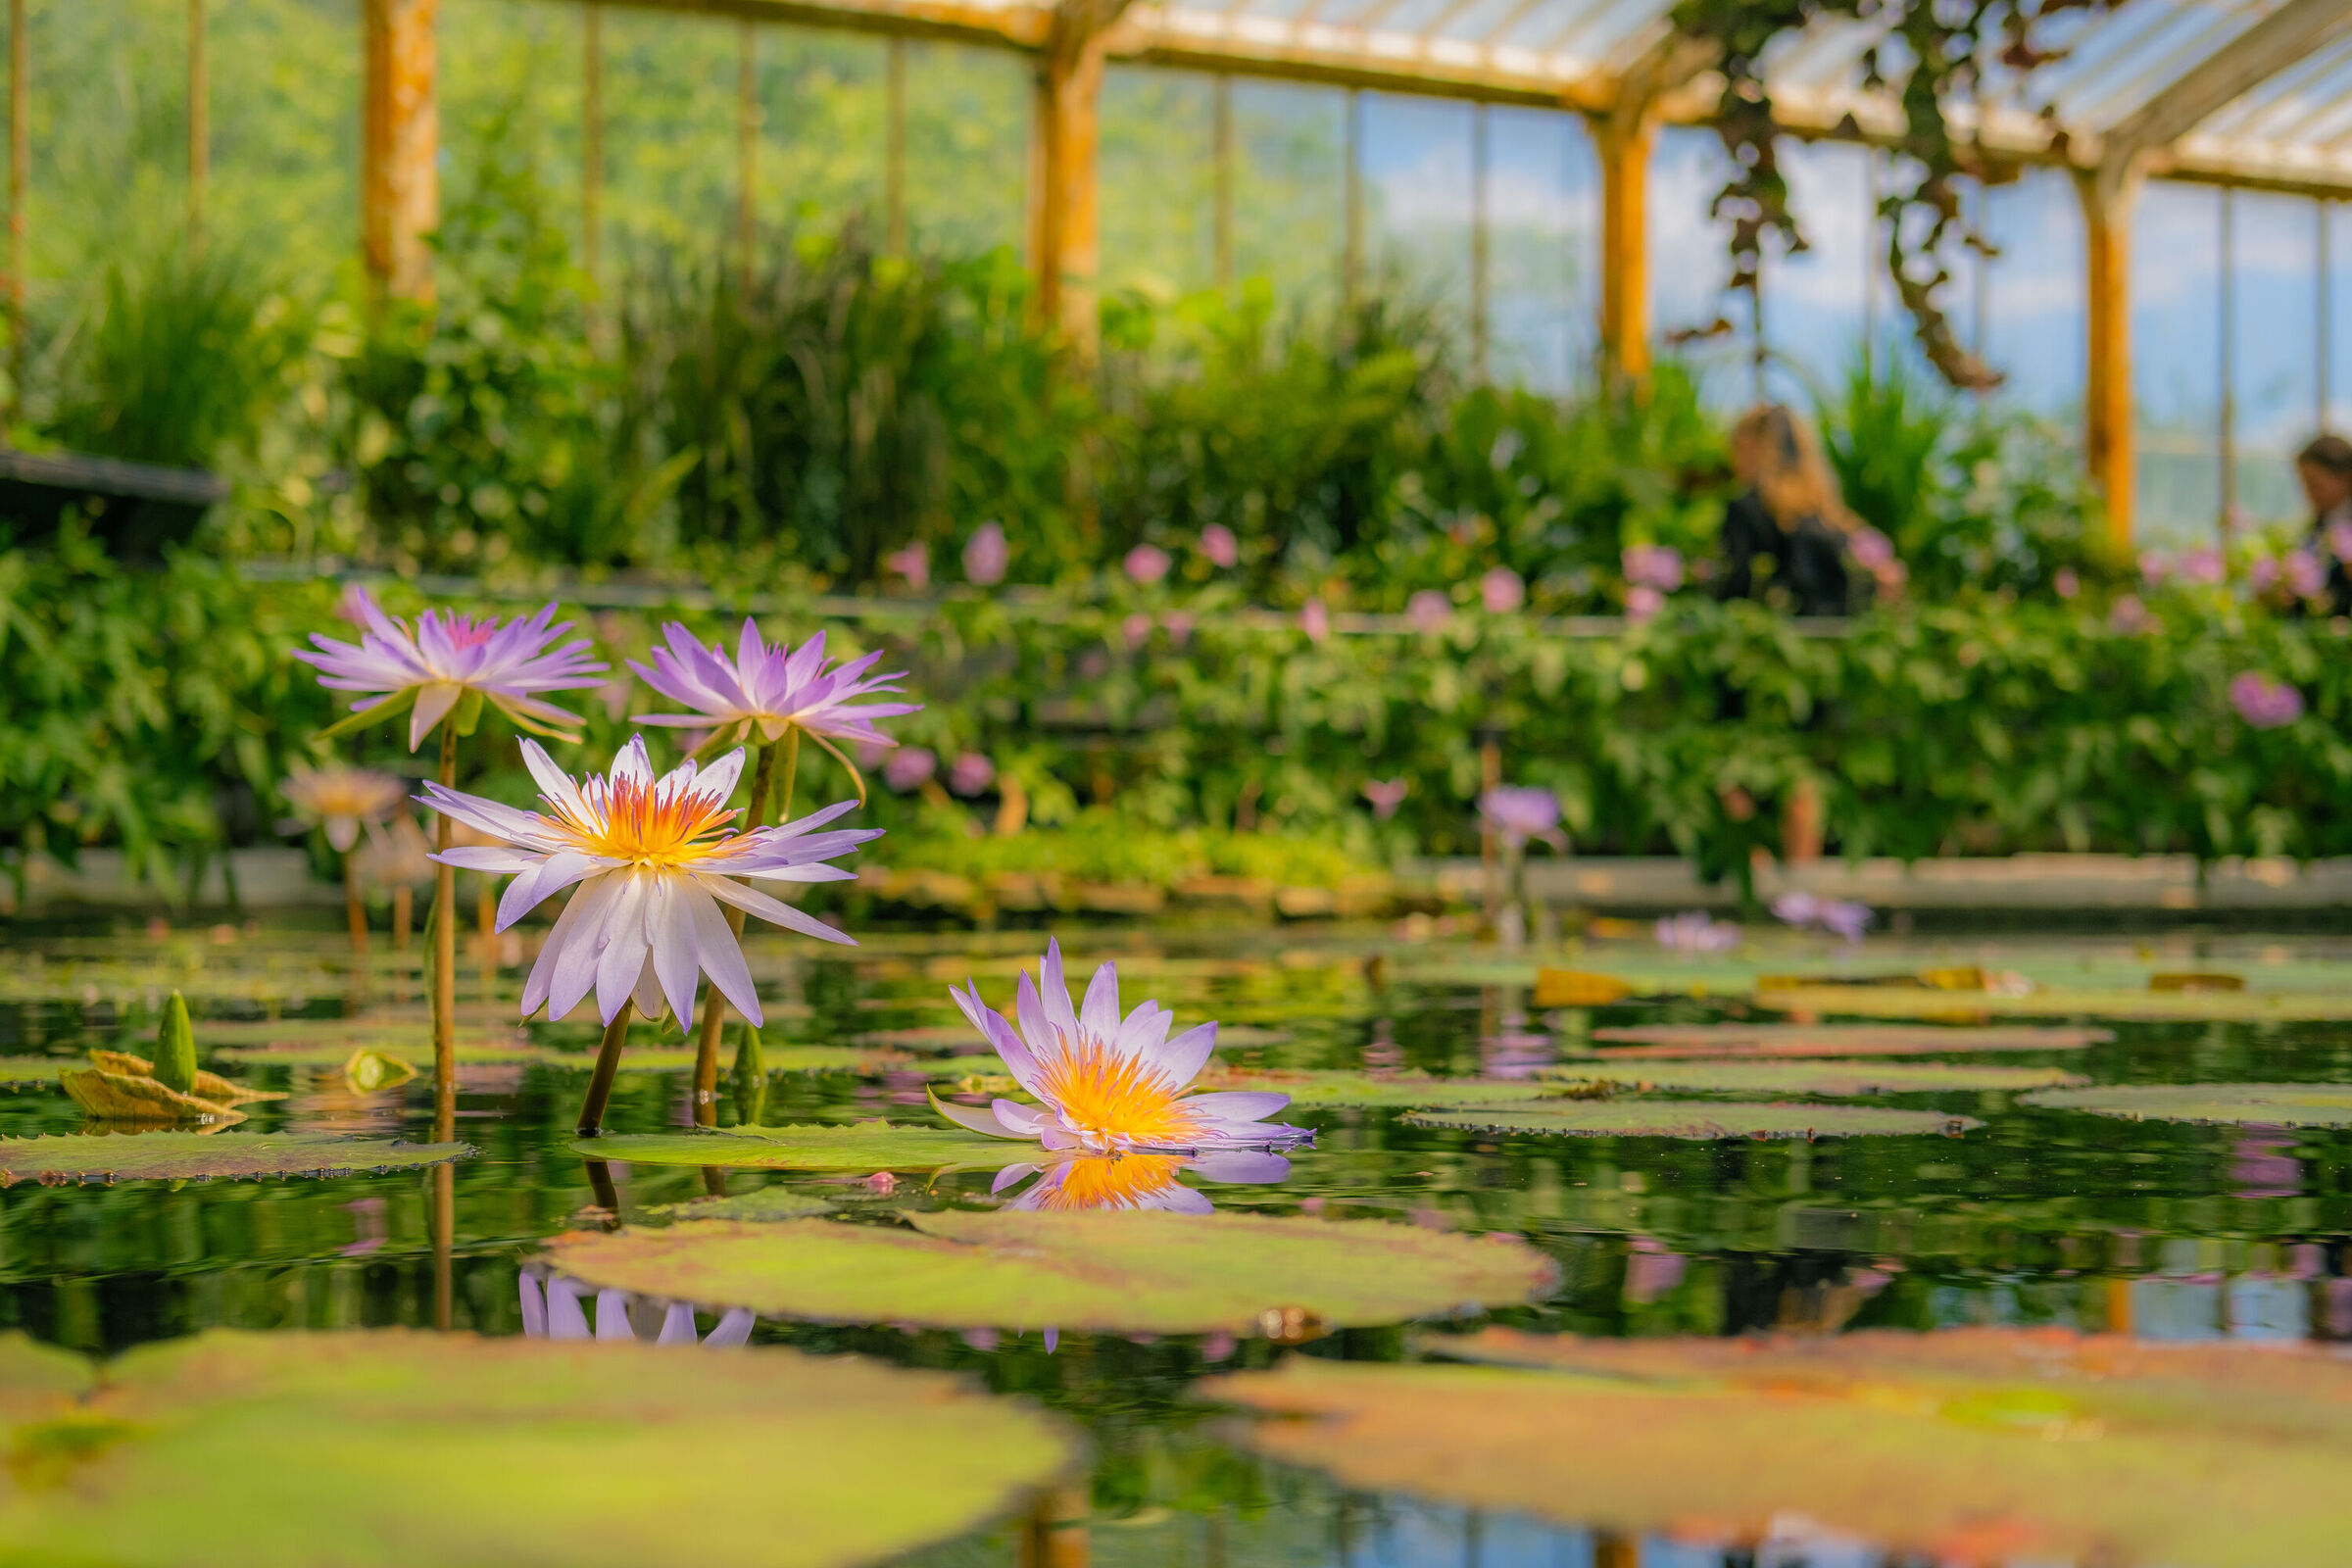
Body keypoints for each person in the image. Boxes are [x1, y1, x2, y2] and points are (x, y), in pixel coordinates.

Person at [1714, 405, 1897, 616]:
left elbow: (1735, 593)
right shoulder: (1832, 520)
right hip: (1840, 639)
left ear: (1752, 446)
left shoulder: (1746, 509)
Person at [2293, 434, 2352, 618]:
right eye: (2304, 484)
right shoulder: (2316, 528)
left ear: (2346, 479)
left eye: (2315, 484)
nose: (2308, 493)